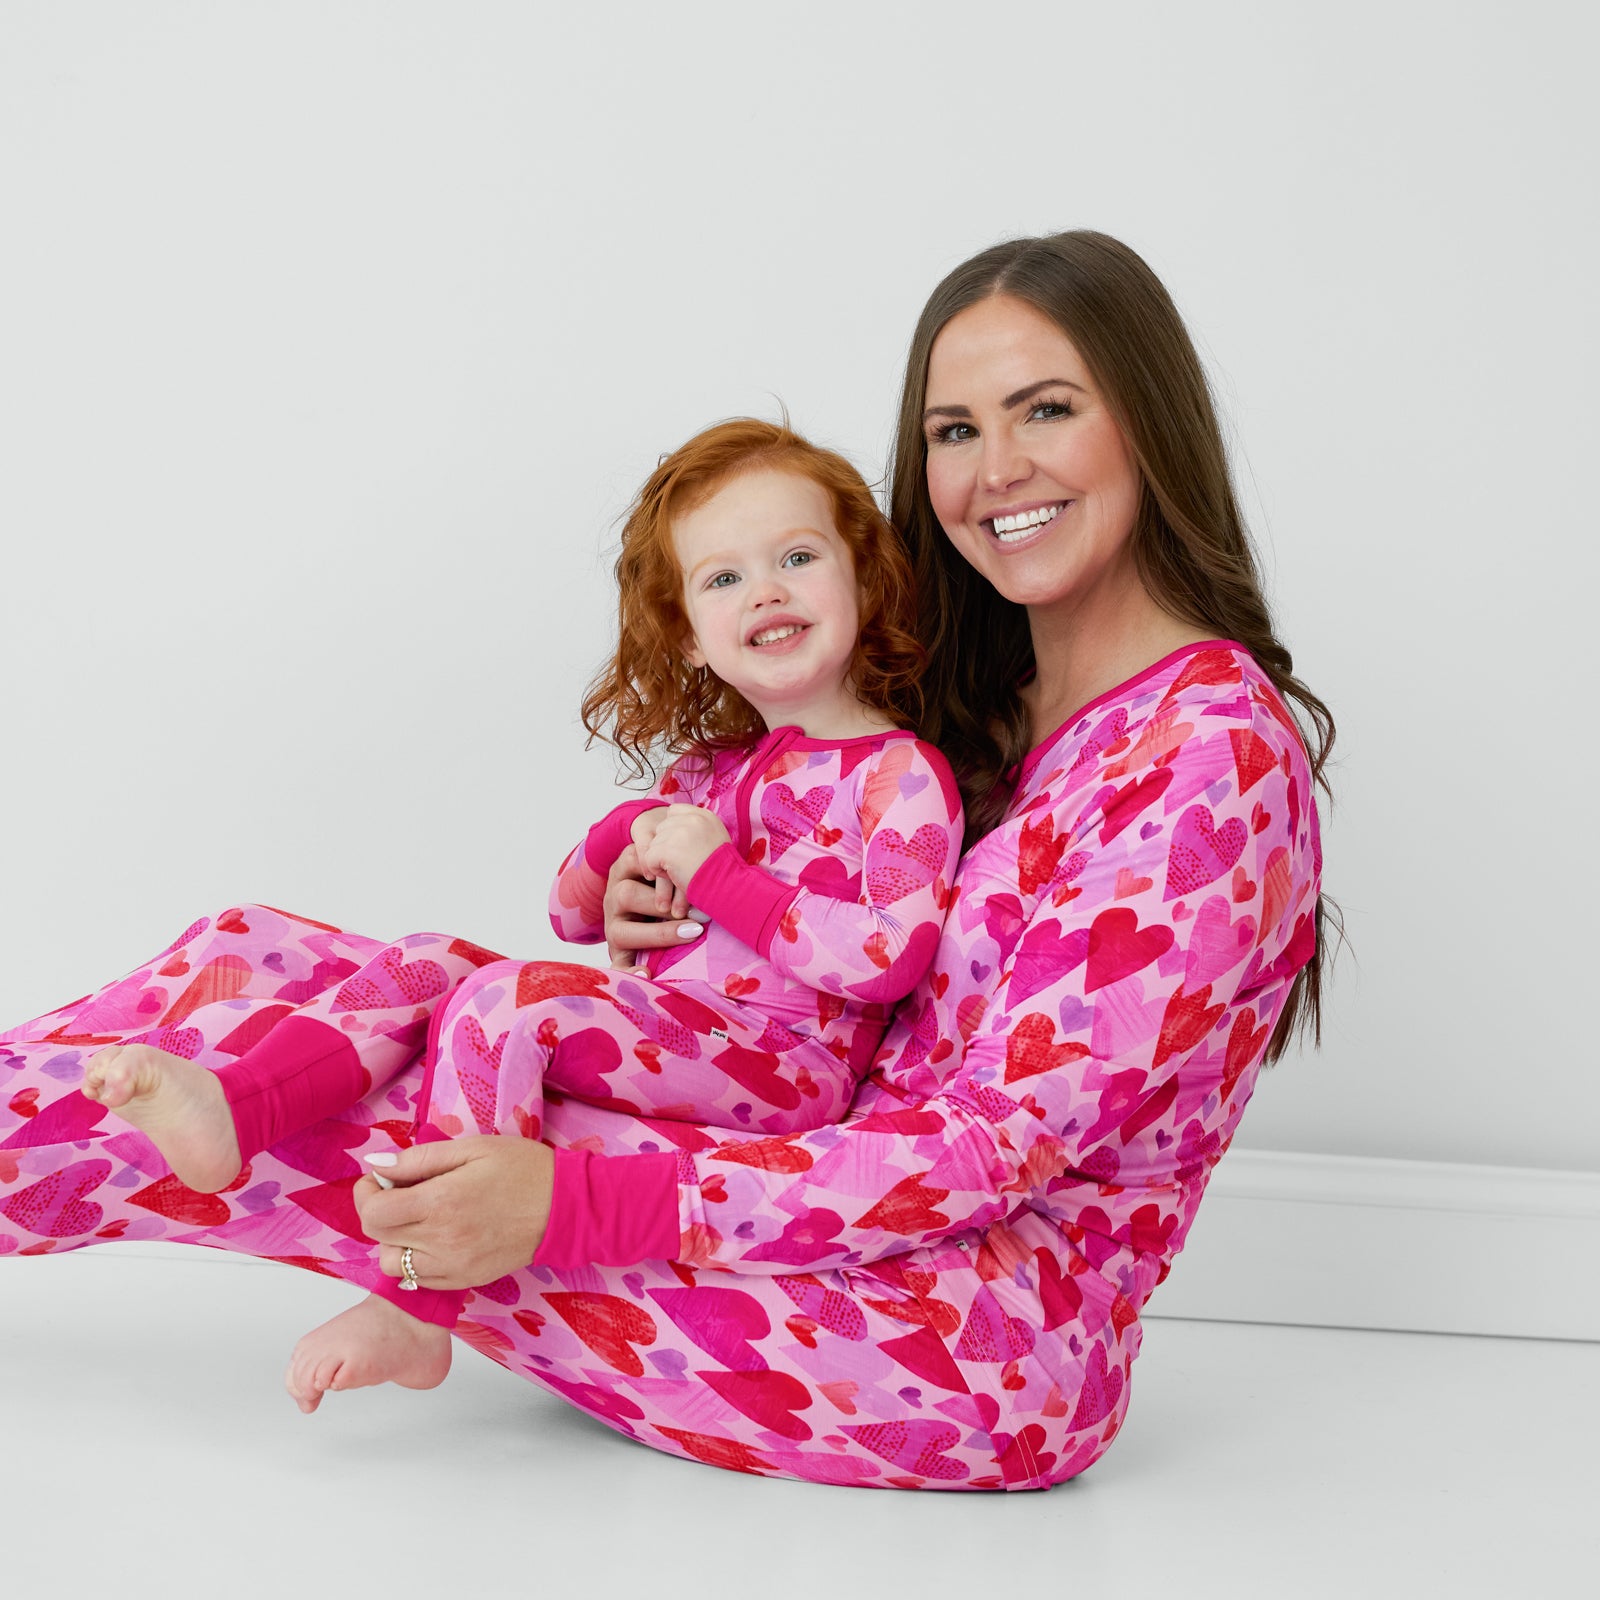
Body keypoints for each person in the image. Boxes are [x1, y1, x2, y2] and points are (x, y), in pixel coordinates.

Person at [0, 230, 1331, 1489]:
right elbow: (854, 1001)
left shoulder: (1208, 758)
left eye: (1046, 409)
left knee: (341, 1112)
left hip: (961, 1343)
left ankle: (389, 1290)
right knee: (282, 967)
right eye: (954, 430)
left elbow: (985, 1150)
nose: (996, 469)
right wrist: (688, 930)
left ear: (1147, 421)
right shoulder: (980, 716)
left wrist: (579, 1204)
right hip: (816, 1202)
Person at [53, 418, 962, 1407]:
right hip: (688, 1035)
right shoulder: (706, 773)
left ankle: (416, 1303)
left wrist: (718, 879)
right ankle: (238, 1107)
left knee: (504, 1002)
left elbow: (887, 956)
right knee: (434, 960)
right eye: (724, 578)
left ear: (865, 586)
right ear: (691, 642)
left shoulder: (899, 774)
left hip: (786, 1063)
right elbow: (567, 911)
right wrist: (621, 845)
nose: (767, 589)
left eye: (796, 556)